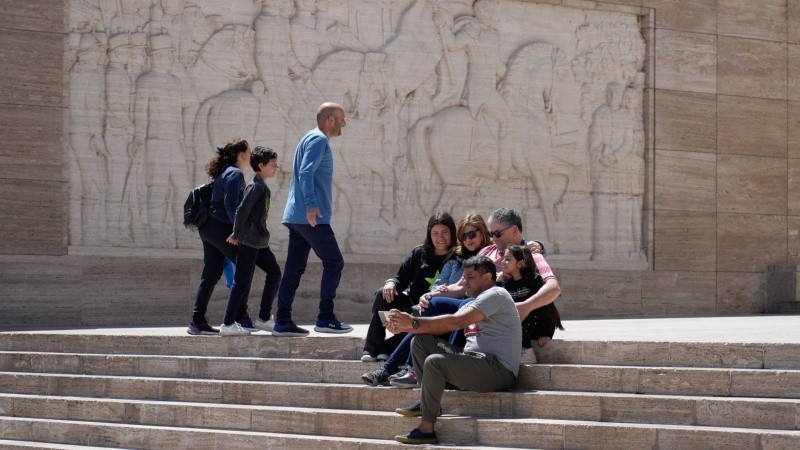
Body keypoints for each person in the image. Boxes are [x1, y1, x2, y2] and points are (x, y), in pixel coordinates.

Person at [386, 256, 521, 445]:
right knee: (420, 342)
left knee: (435, 362)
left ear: (487, 277)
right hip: (474, 361)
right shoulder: (476, 300)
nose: (464, 282)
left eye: (470, 277)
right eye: (464, 277)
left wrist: (414, 322)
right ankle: (428, 404)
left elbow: (456, 322)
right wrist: (404, 327)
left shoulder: (496, 294)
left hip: (498, 370)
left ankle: (426, 429)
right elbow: (442, 327)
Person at [361, 211, 489, 385]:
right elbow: (456, 285)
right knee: (392, 297)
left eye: (472, 234)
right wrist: (430, 294)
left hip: (473, 308)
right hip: (427, 307)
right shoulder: (456, 259)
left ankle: (398, 366)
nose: (468, 239)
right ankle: (379, 356)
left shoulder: (490, 253)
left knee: (430, 312)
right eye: (464, 236)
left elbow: (465, 287)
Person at [274, 102, 351, 336]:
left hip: (296, 216)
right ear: (330, 120)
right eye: (341, 119)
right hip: (311, 217)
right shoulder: (319, 140)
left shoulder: (308, 137)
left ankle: (282, 321)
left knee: (294, 268)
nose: (344, 124)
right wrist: (311, 204)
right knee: (334, 262)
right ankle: (325, 318)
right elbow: (305, 171)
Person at [187, 139, 274, 335]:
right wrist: (238, 233)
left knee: (211, 273)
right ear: (241, 155)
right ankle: (240, 317)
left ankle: (197, 321)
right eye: (249, 152)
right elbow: (231, 205)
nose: (251, 155)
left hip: (208, 228)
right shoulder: (235, 173)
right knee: (245, 267)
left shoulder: (225, 172)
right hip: (221, 228)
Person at [362, 211, 458, 362]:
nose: (440, 237)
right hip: (411, 306)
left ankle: (387, 349)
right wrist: (391, 283)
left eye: (444, 232)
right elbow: (400, 279)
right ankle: (371, 349)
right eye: (435, 233)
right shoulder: (419, 253)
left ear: (452, 232)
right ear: (429, 234)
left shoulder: (458, 257)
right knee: (382, 294)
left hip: (434, 311)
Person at [219, 147, 282, 336]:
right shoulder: (255, 187)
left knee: (274, 273)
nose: (276, 167)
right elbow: (241, 210)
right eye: (273, 164)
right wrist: (236, 233)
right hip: (249, 242)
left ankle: (264, 318)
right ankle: (227, 324)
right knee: (241, 283)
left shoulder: (262, 186)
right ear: (261, 166)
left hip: (259, 242)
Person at [500, 244, 563, 363]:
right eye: (503, 258)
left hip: (535, 325)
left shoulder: (534, 280)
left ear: (520, 264)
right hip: (518, 325)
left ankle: (528, 352)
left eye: (508, 259)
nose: (503, 262)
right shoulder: (507, 284)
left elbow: (546, 308)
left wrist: (546, 333)